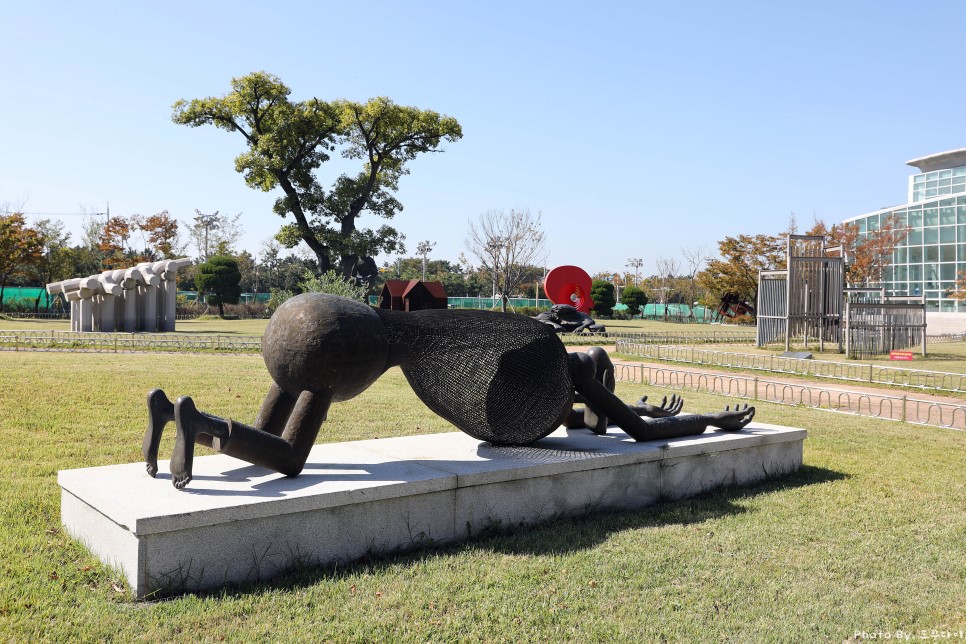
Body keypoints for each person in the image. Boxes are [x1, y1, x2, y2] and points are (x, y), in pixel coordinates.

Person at [144, 293, 755, 489]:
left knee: (274, 438)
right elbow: (640, 431)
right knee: (289, 456)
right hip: (352, 346)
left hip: (306, 323)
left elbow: (604, 419)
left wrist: (626, 411)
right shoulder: (563, 370)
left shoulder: (540, 385)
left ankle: (187, 418)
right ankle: (205, 427)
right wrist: (706, 422)